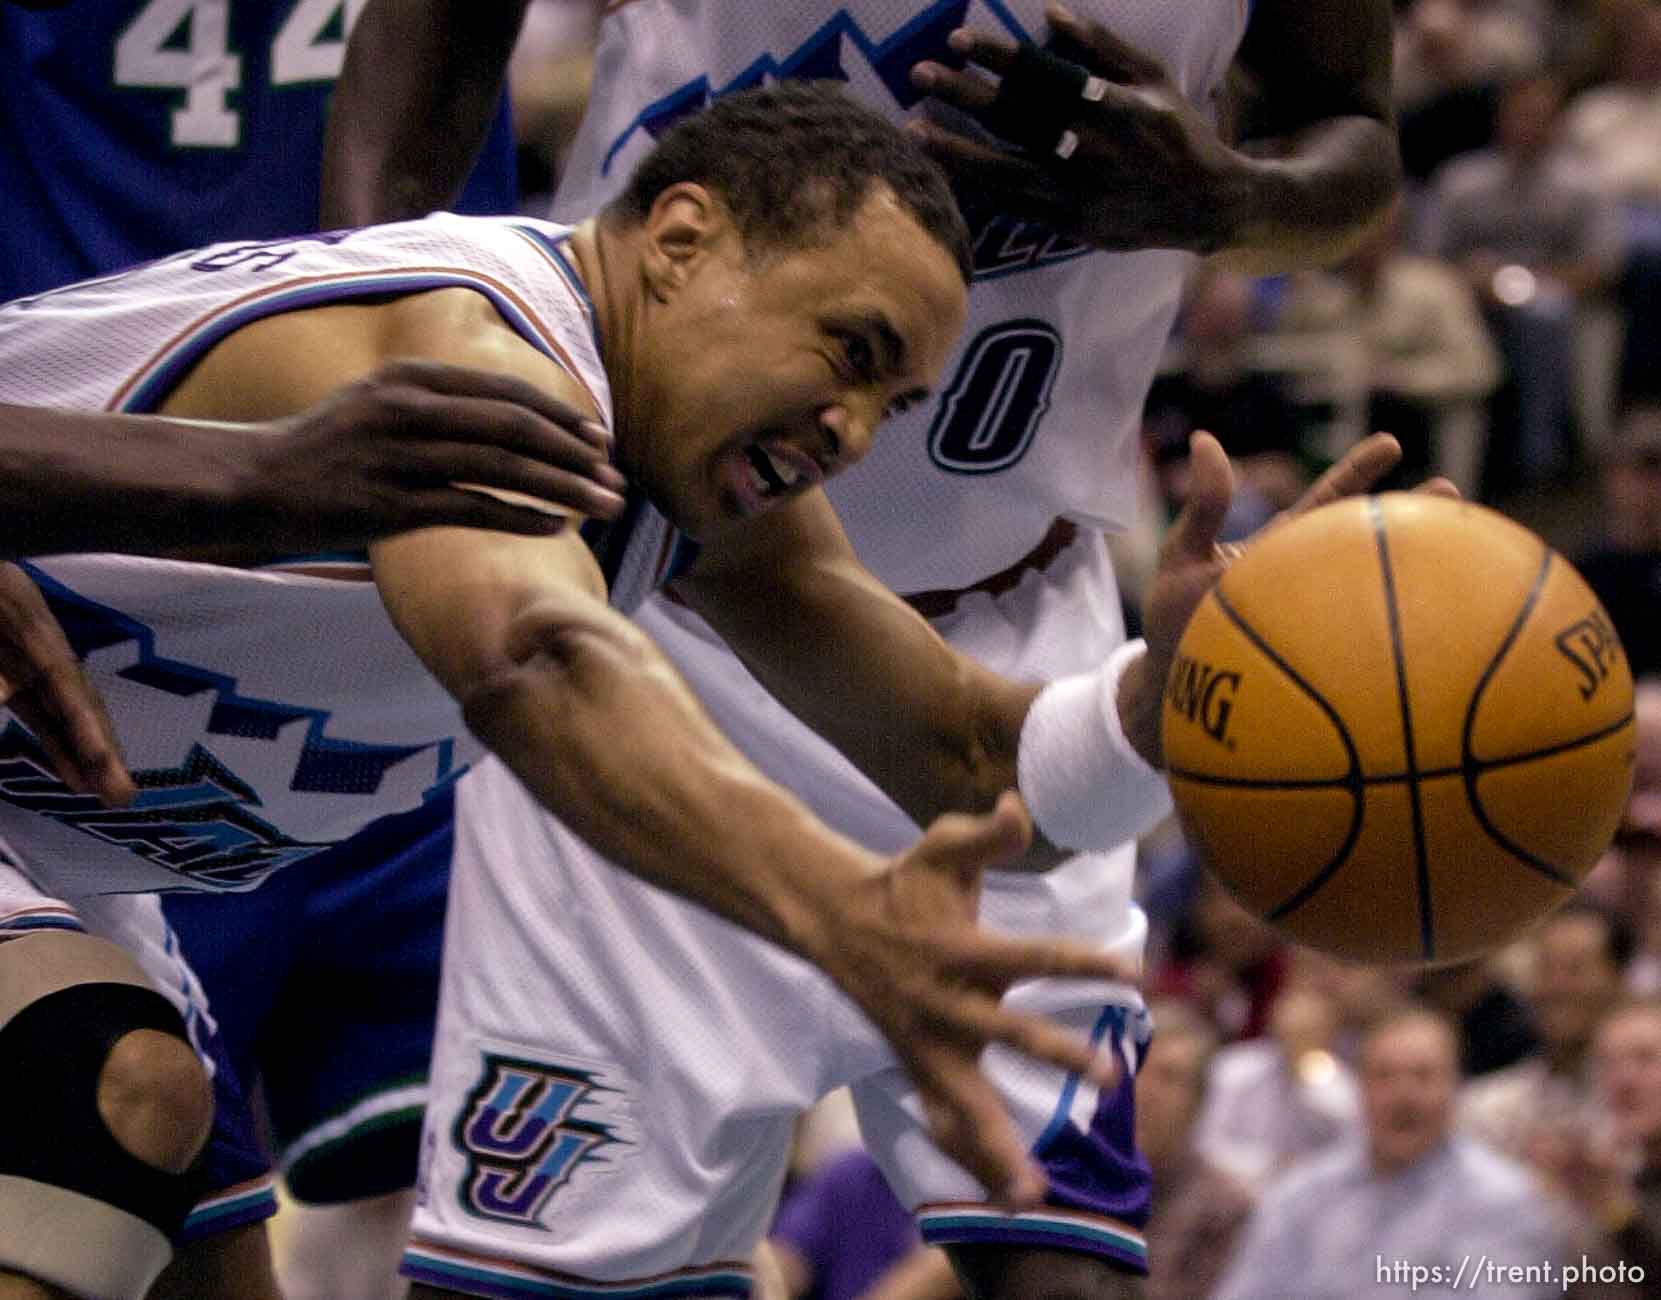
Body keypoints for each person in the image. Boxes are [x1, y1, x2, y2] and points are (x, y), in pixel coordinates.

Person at [0, 81, 1349, 1300]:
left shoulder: (704, 494)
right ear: (683, 237)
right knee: (105, 1090)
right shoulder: (483, 348)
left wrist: (1168, 696)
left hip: (67, 848)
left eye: (897, 399)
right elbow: (534, 657)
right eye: (853, 350)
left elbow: (965, 754)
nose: (857, 434)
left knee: (198, 1248)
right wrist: (839, 908)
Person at [323, 2, 1406, 1295]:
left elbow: (1354, 142)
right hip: (650, 602)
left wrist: (1222, 196)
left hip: (1009, 607)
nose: (853, 432)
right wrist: (369, 308)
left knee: (1067, 1266)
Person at [1212, 1006, 1581, 1300]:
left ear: (1455, 1089)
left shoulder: (1506, 1203)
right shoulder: (1301, 1195)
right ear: (1360, 1090)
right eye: (1384, 1076)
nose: (1403, 1098)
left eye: (1423, 1076)